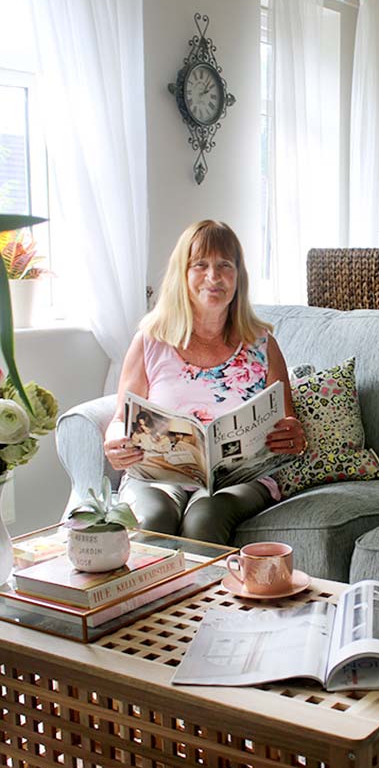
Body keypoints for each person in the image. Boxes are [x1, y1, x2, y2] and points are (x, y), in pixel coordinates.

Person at [104, 220, 306, 544]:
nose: (213, 277)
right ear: (182, 275)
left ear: (238, 277)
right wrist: (116, 441)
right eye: (200, 265)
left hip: (239, 480)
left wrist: (293, 435)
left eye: (224, 265)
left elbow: (288, 422)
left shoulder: (262, 344)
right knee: (152, 518)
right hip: (156, 475)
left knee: (204, 518)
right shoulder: (149, 341)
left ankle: (204, 597)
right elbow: (119, 419)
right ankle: (153, 597)